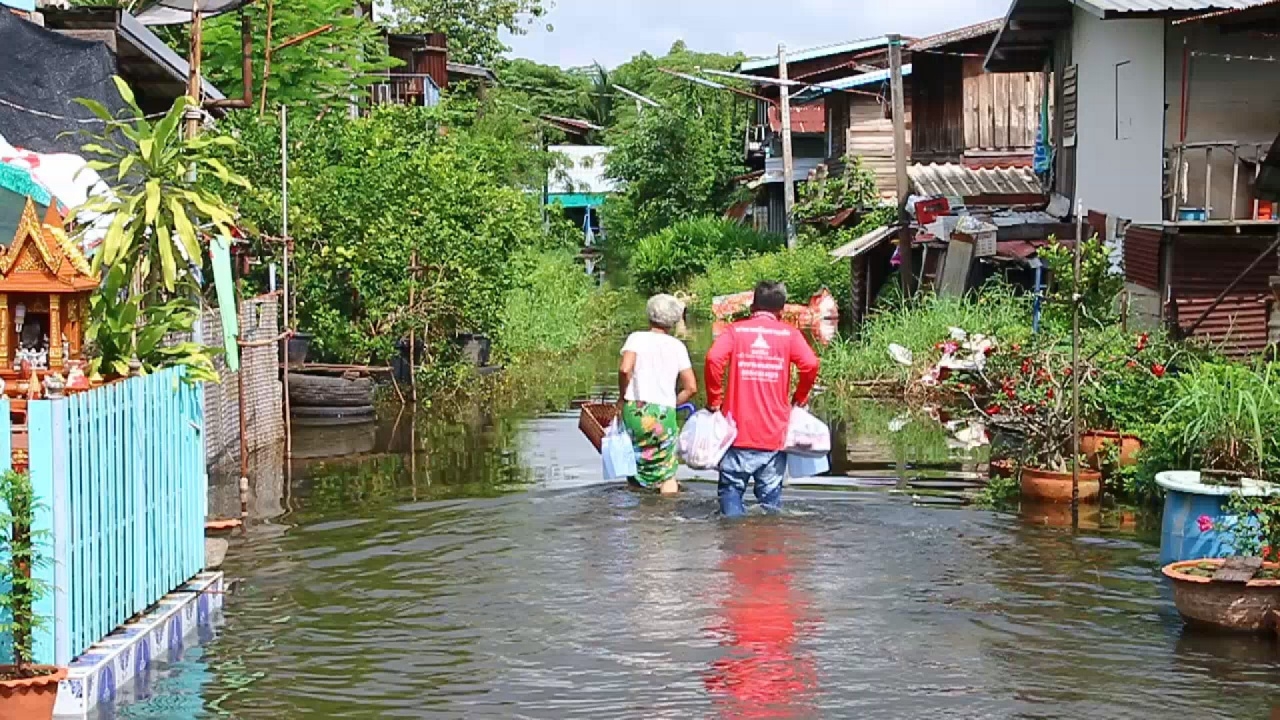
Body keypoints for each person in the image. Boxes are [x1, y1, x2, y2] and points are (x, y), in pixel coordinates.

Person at [704, 281, 819, 516]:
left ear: (753, 305)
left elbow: (714, 359)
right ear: (782, 309)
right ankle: (770, 547)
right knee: (769, 503)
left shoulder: (735, 331)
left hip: (736, 433)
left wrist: (715, 400)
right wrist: (800, 397)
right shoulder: (789, 334)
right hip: (774, 435)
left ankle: (733, 541)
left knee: (731, 493)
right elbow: (810, 364)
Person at [617, 294, 698, 494]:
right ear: (672, 320)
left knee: (635, 463)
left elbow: (625, 369)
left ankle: (637, 512)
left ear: (649, 315)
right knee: (667, 471)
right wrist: (673, 403)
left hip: (635, 410)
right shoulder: (677, 346)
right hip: (663, 412)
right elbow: (691, 387)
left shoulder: (636, 338)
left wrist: (621, 397)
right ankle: (666, 515)